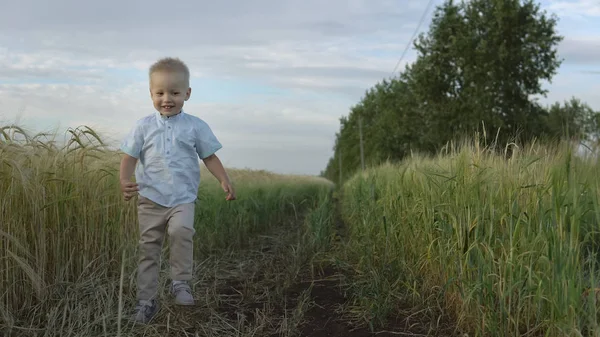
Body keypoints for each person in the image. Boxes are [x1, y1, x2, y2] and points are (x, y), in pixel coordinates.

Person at [119, 57, 236, 324]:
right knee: (148, 249)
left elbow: (209, 156)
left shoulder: (195, 126)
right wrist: (125, 181)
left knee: (181, 231)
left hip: (182, 198)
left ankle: (180, 283)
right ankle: (146, 301)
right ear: (151, 94)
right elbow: (129, 156)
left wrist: (223, 179)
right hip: (150, 198)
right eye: (159, 93)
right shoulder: (143, 126)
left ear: (187, 93)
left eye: (174, 92)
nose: (166, 99)